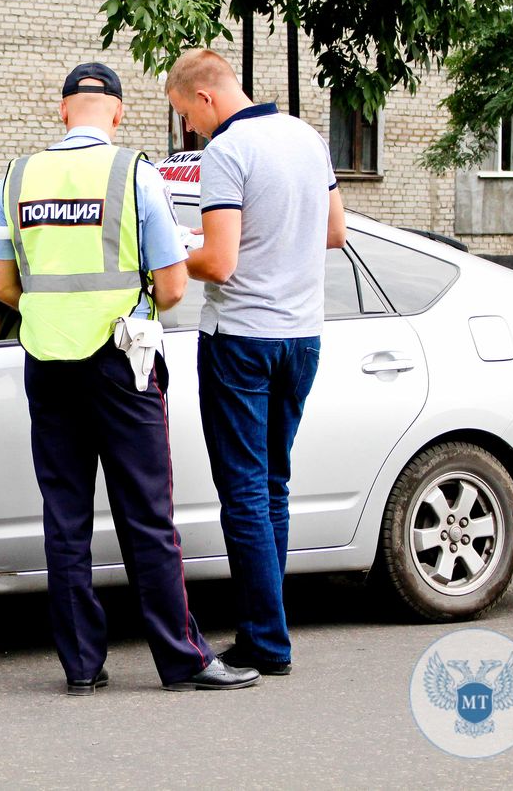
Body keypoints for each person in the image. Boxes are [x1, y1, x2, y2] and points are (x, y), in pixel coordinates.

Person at [0, 62, 261, 695]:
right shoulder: (134, 174)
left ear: (61, 111)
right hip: (121, 362)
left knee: (65, 517)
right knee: (146, 516)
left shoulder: (16, 176)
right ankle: (180, 660)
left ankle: (81, 666)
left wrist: (56, 314)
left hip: (46, 363)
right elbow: (170, 283)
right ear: (117, 112)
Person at [165, 49, 346, 676]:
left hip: (241, 339)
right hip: (302, 338)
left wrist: (167, 255)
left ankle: (266, 643)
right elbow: (334, 233)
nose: (189, 128)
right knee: (273, 487)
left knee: (243, 492)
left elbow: (218, 262)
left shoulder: (225, 152)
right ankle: (270, 635)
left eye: (184, 113)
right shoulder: (306, 135)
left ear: (205, 97)